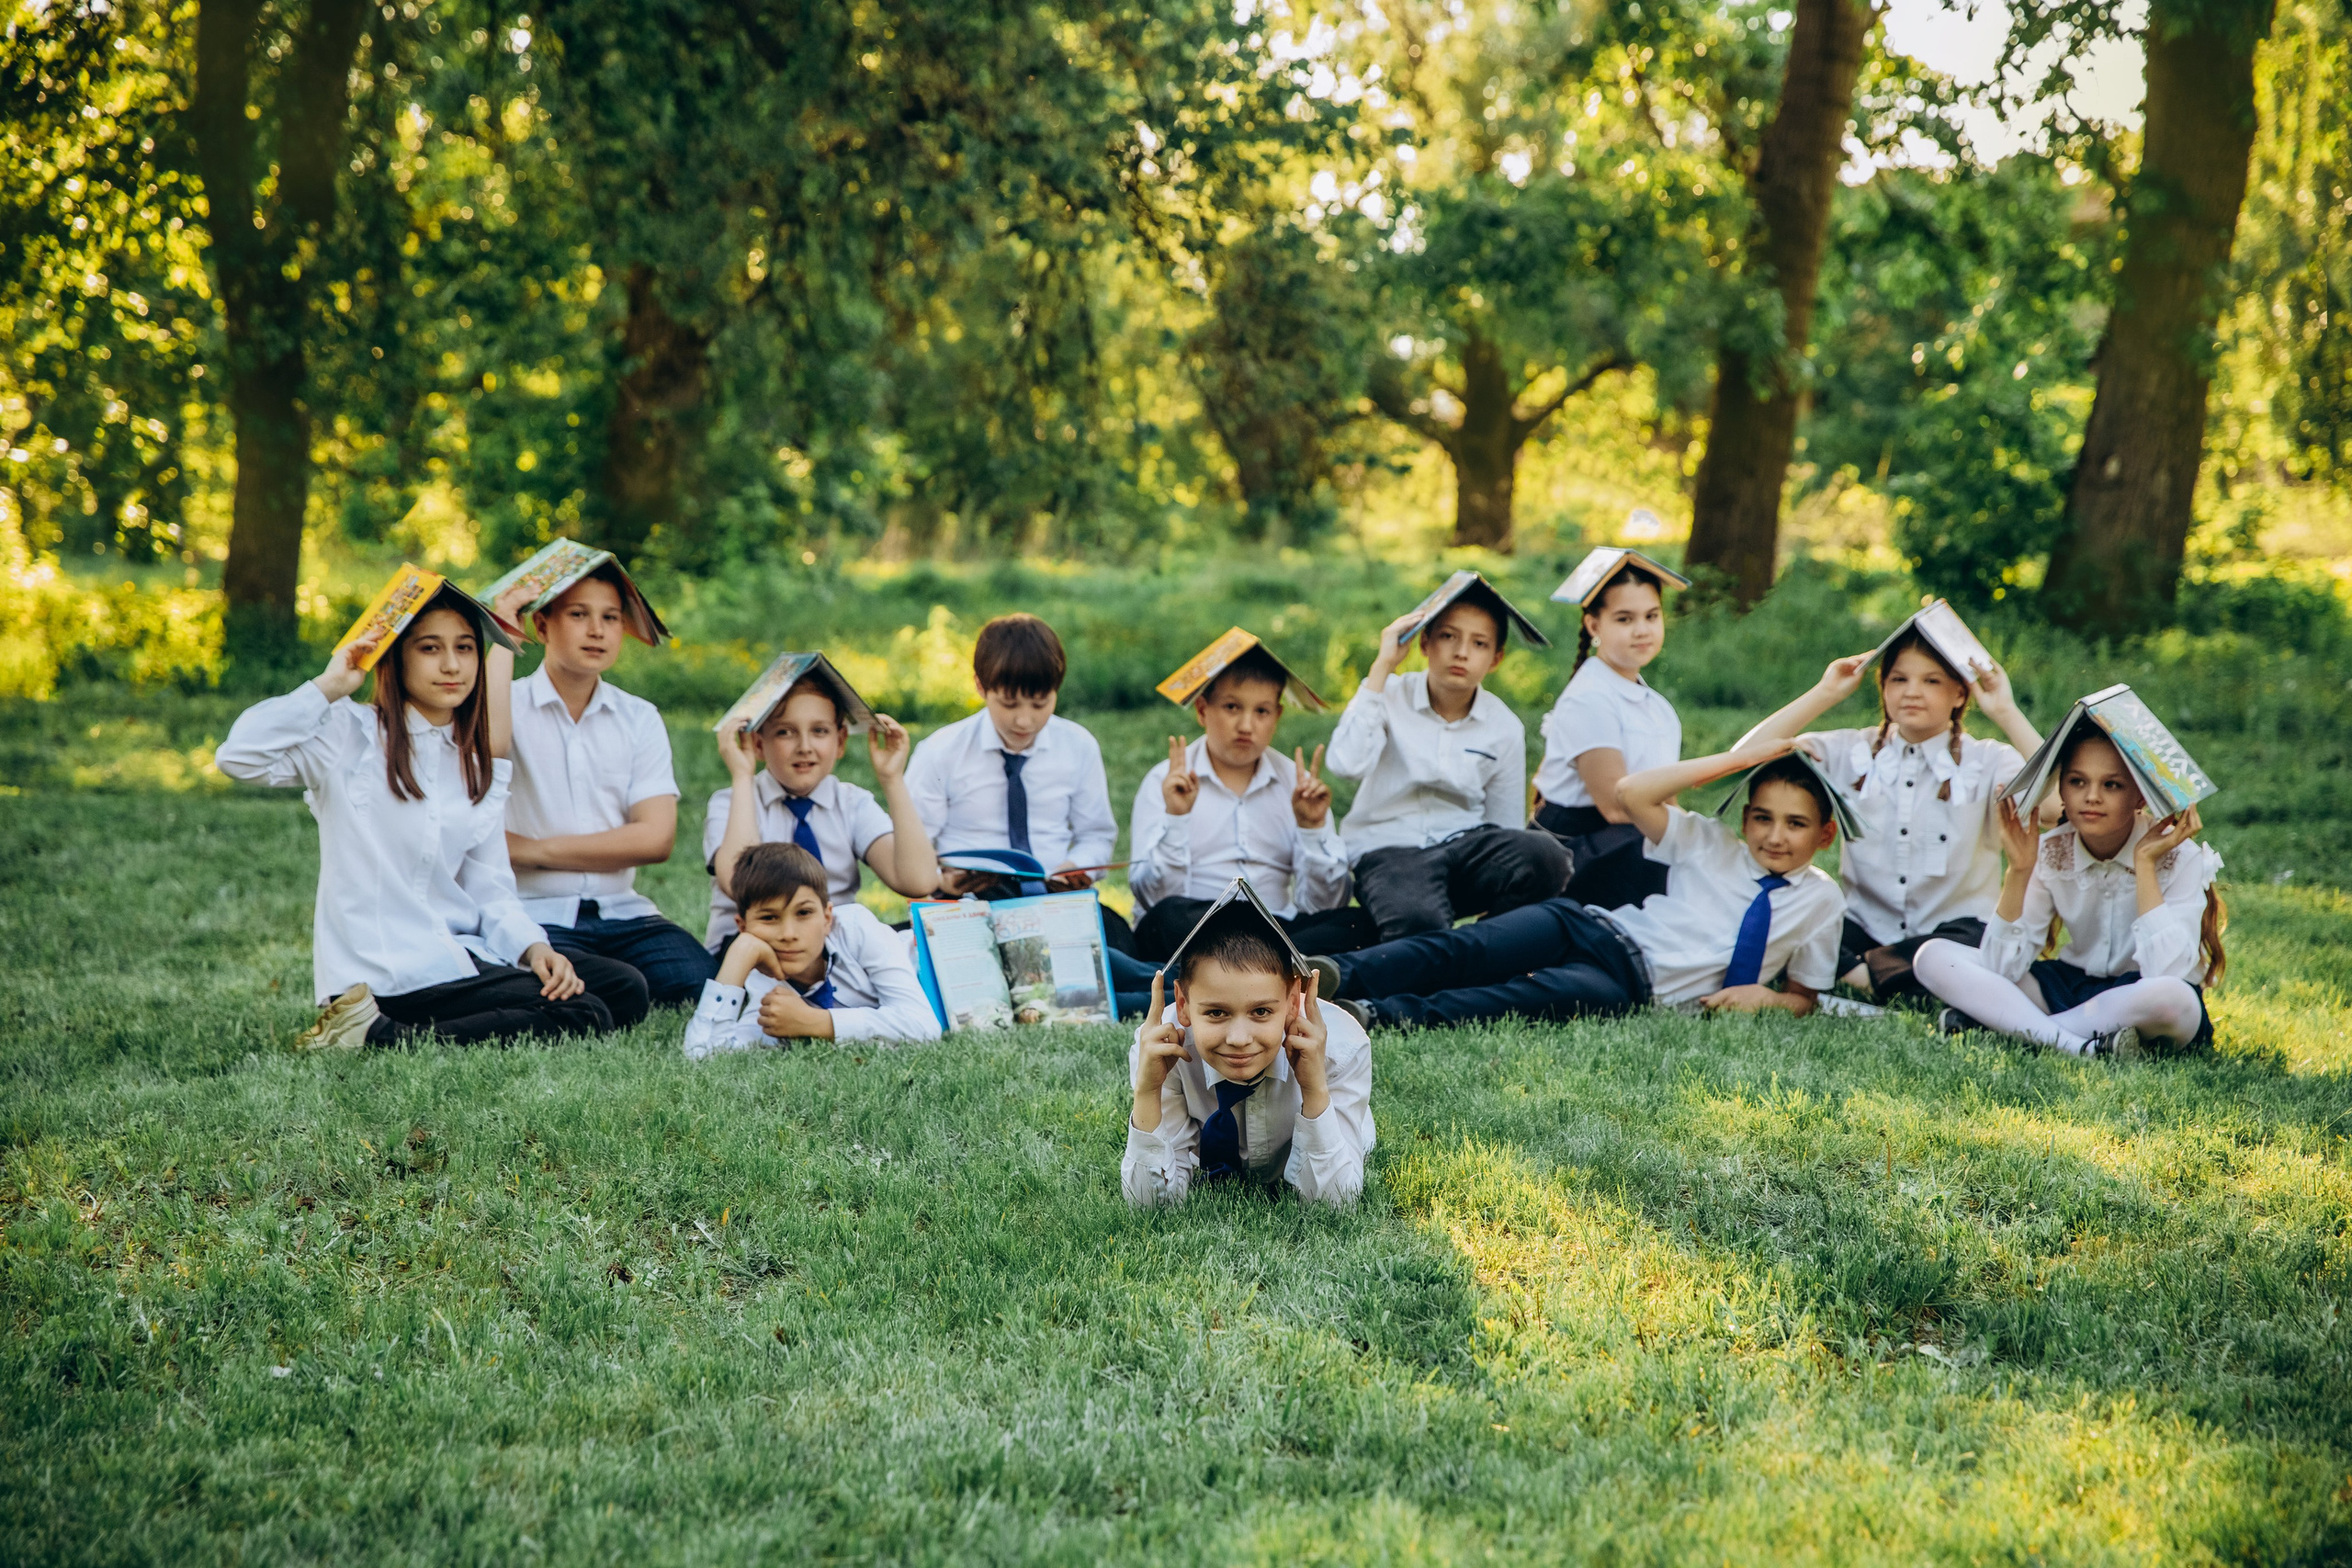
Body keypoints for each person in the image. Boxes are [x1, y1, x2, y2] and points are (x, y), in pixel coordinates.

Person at [219, 583, 646, 1049]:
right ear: (397, 658)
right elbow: (239, 756)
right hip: (388, 970)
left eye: (465, 648)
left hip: (457, 953)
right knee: (583, 1012)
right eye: (430, 649)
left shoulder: (473, 759)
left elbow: (490, 887)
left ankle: (394, 1032)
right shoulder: (349, 737)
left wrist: (533, 948)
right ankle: (378, 1034)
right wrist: (329, 687)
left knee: (624, 987)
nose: (451, 665)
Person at [1305, 740, 1848, 1030]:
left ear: (1825, 835)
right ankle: (1334, 975)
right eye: (1761, 818)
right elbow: (1634, 793)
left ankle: (1373, 1015)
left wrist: (1769, 1001)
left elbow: (1806, 997)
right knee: (1469, 946)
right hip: (1587, 925)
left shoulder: (1823, 901)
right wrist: (1743, 759)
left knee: (1512, 999)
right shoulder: (1709, 843)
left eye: (1795, 824)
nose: (1774, 837)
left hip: (1631, 986)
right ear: (1745, 818)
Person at [1734, 626, 2043, 1001]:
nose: (1912, 691)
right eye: (1899, 679)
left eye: (1931, 681)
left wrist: (2005, 711)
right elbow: (1740, 761)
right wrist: (1825, 692)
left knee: (1957, 956)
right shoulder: (1851, 752)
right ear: (1883, 687)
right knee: (1795, 924)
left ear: (1960, 692)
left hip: (1952, 935)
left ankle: (1860, 976)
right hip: (1862, 929)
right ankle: (1906, 984)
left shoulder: (1990, 760)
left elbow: (2057, 803)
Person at [1912, 721, 2224, 1059]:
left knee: (2172, 999)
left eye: (2112, 785)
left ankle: (2014, 1030)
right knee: (1933, 957)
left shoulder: (2179, 856)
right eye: (2077, 781)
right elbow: (2000, 968)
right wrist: (2019, 870)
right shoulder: (2051, 851)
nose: (2092, 796)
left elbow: (2168, 973)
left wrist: (2146, 863)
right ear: (2060, 788)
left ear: (2139, 795)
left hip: (2139, 999)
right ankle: (2078, 1047)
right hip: (2069, 988)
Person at [488, 568, 718, 1006]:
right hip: (535, 912)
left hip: (623, 913)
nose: (597, 631)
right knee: (576, 988)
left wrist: (532, 850)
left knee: (698, 983)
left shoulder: (639, 717)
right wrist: (503, 634)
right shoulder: (506, 707)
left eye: (611, 618)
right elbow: (488, 744)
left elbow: (655, 838)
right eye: (579, 614)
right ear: (542, 625)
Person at [1325, 581, 1569, 941]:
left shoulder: (1504, 728)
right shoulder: (1387, 695)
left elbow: (1503, 825)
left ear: (1496, 659)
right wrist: (1383, 667)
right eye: (1449, 637)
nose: (1462, 653)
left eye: (1479, 643)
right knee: (1419, 922)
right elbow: (1346, 764)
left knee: (1546, 856)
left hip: (1463, 850)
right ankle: (1420, 942)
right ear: (1425, 643)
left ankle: (1482, 945)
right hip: (1390, 851)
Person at [1123, 887, 1374, 1207]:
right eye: (1216, 1013)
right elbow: (1149, 1209)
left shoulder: (1342, 1048)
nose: (1239, 1039)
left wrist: (1314, 1089)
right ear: (1183, 1004)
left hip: (1337, 1129)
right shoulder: (1162, 1048)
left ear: (1293, 1002)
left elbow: (1335, 1206)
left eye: (1261, 1011)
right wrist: (1147, 1092)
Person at [1128, 637, 1374, 962]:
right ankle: (1283, 969)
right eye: (1232, 707)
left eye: (1262, 711)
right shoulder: (1166, 781)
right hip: (1198, 926)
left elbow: (1324, 906)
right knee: (1166, 918)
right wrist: (1176, 818)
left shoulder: (1295, 784)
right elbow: (1153, 899)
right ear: (1203, 710)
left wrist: (1312, 828)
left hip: (1276, 926)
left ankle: (1257, 966)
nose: (1247, 726)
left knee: (1361, 923)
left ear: (1278, 715)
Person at [903, 613, 1124, 933]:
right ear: (981, 686)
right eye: (1009, 704)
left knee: (1117, 940)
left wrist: (1075, 868)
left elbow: (1096, 833)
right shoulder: (941, 752)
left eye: (1040, 704)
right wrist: (941, 880)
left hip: (1055, 902)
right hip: (971, 904)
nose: (1024, 721)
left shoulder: (1077, 746)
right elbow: (914, 844)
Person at [703, 667, 937, 947]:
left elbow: (919, 881)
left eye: (819, 731)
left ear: (840, 742)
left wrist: (892, 779)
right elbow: (737, 883)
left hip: (836, 945)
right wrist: (742, 776)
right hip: (755, 944)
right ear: (758, 743)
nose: (805, 746)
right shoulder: (730, 802)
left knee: (920, 937)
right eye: (785, 732)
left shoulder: (851, 803)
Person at [684, 843, 943, 1055]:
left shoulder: (856, 927)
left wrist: (816, 1022)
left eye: (804, 913)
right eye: (769, 918)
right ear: (743, 926)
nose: (788, 935)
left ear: (827, 917)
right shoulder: (764, 986)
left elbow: (924, 1025)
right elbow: (701, 1054)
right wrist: (738, 959)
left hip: (944, 947)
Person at [1532, 558, 1682, 909]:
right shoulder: (1589, 697)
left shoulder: (1657, 707)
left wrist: (1694, 838)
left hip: (1630, 832)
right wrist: (1687, 838)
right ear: (1594, 623)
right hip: (1575, 847)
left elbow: (1666, 795)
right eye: (1625, 619)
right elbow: (1616, 807)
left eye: (1652, 616)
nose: (1642, 630)